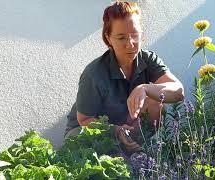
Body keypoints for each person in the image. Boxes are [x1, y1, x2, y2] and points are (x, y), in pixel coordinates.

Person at [65, 1, 184, 152]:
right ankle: (124, 157)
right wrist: (115, 130)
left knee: (156, 101)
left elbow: (178, 92)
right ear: (108, 38)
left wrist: (145, 88)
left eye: (135, 35)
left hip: (125, 129)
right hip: (86, 133)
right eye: (121, 38)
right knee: (109, 160)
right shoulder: (93, 73)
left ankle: (134, 149)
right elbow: (84, 120)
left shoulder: (148, 59)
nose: (130, 44)